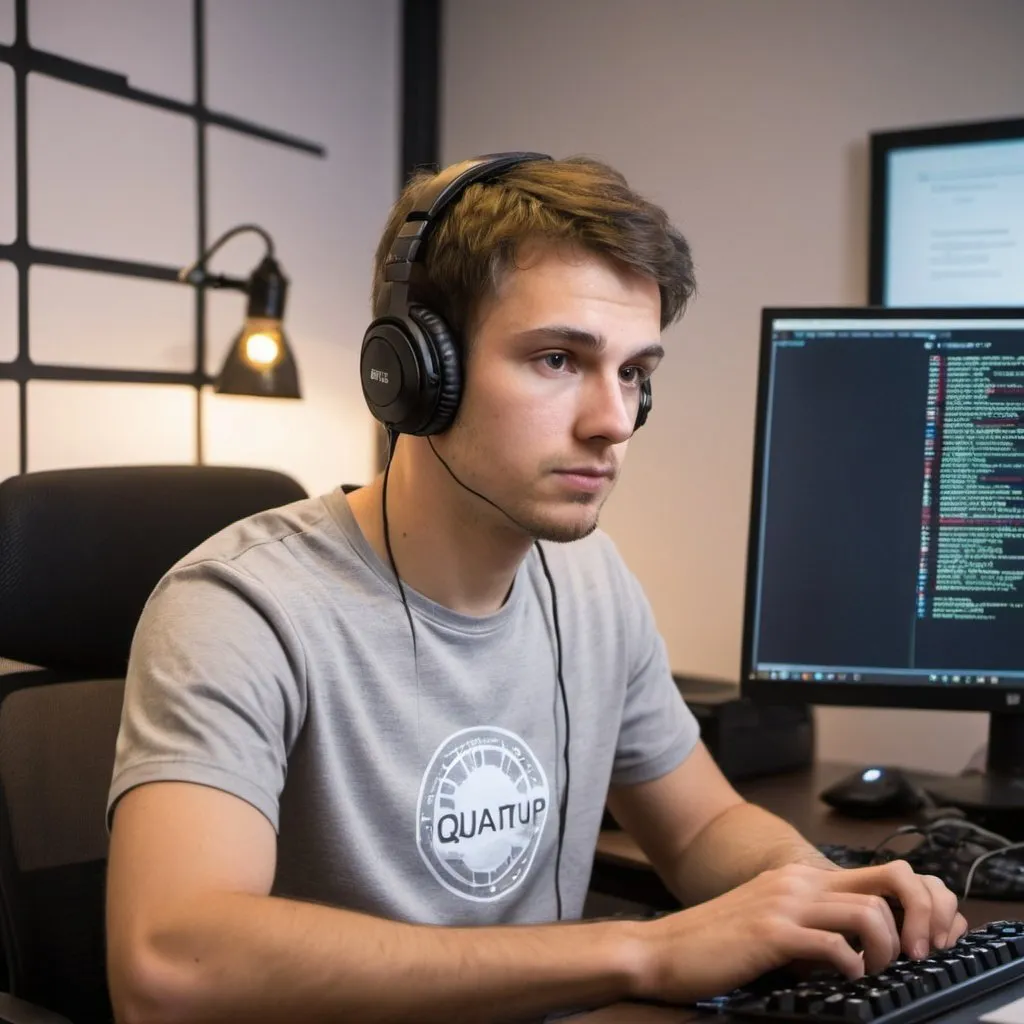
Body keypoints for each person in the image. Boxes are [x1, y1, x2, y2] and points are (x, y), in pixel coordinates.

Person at [105, 153, 966, 1024]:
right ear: (412, 374)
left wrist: (817, 893)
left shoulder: (590, 580)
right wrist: (646, 950)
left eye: (633, 373)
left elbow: (702, 828)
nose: (614, 422)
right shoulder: (239, 607)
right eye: (558, 359)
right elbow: (171, 964)